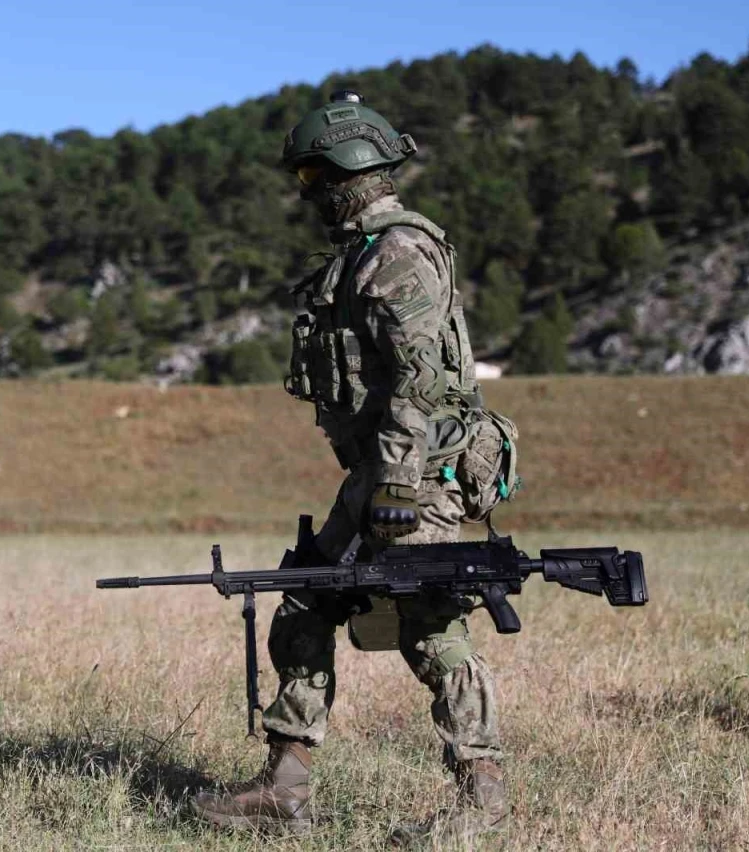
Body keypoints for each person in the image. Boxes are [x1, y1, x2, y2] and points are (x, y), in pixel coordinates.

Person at [192, 91, 510, 843]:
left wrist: (398, 479)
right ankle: (285, 785)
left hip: (419, 469)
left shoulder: (397, 252)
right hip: (381, 469)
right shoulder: (361, 253)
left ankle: (484, 801)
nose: (307, 193)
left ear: (348, 171)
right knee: (306, 600)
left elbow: (419, 376)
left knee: (428, 624)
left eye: (312, 177)